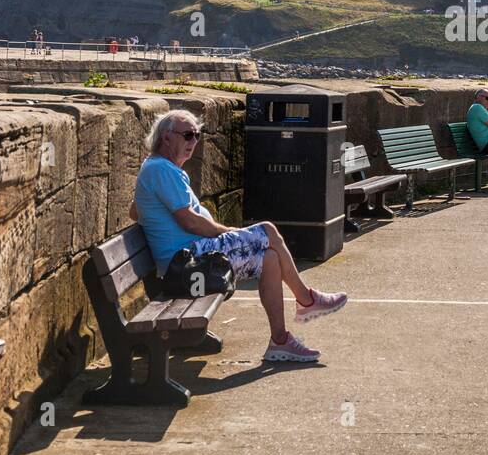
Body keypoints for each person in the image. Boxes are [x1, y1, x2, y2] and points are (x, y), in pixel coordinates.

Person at [129, 109, 347, 363]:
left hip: (189, 260)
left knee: (270, 259)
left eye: (197, 136)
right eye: (187, 135)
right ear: (166, 138)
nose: (193, 142)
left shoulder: (157, 168)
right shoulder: (161, 170)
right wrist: (231, 232)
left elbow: (135, 211)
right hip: (186, 266)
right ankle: (307, 299)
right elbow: (191, 223)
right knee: (267, 230)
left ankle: (280, 341)